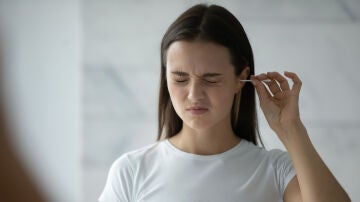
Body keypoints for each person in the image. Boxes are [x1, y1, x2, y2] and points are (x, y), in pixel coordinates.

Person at [98, 4, 350, 202]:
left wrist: (292, 129)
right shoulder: (131, 171)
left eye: (211, 79)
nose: (194, 94)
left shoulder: (275, 171)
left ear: (241, 78)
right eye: (180, 78)